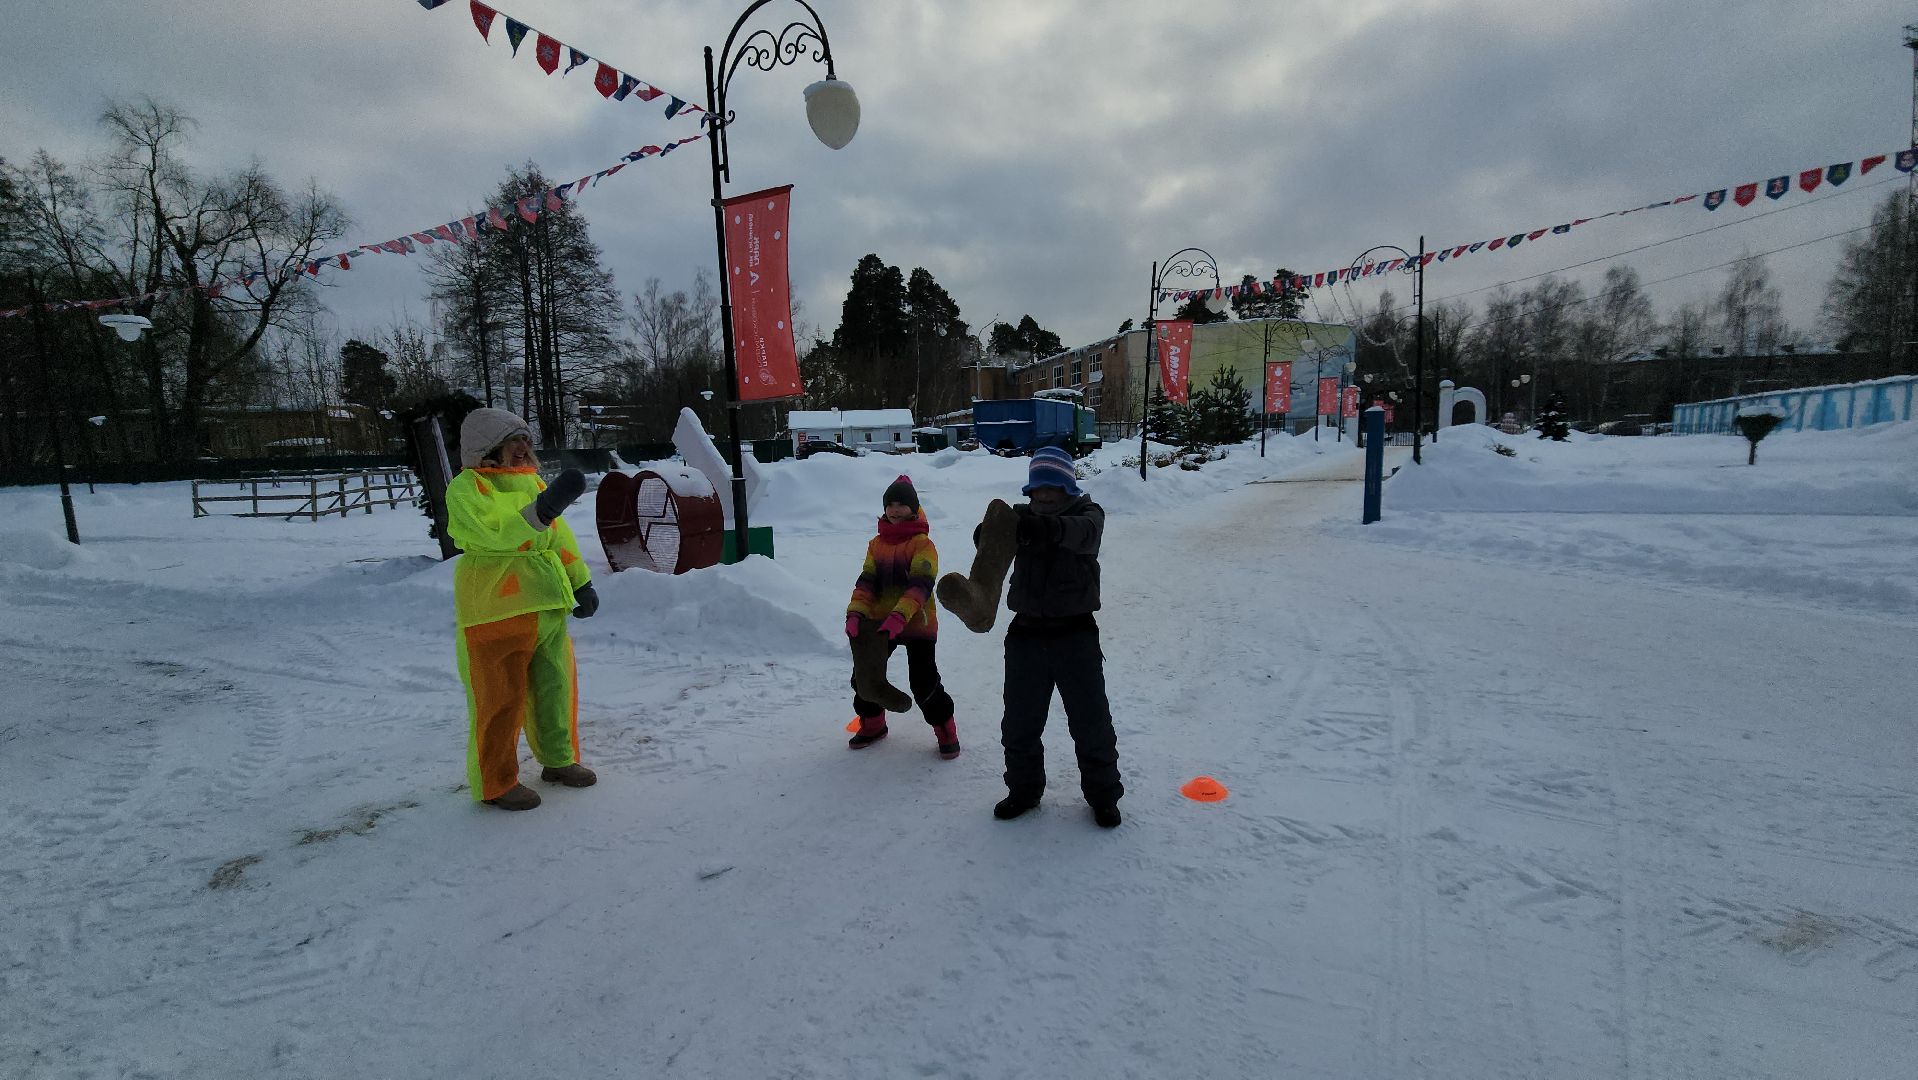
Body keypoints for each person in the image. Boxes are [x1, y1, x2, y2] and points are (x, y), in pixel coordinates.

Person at [445, 407, 599, 811]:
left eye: (526, 440)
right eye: (515, 440)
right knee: (498, 698)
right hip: (494, 609)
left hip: (547, 604)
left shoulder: (532, 483)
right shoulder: (468, 487)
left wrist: (581, 582)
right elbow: (495, 533)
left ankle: (558, 760)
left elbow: (560, 539)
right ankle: (495, 782)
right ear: (488, 448)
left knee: (555, 689)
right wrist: (542, 511)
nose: (524, 447)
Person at [991, 446, 1123, 827]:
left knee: (1090, 721)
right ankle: (1023, 790)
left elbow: (1085, 535)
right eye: (1038, 488)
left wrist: (1046, 529)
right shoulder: (1021, 517)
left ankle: (1103, 796)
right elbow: (993, 547)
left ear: (1067, 487)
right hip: (1025, 635)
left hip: (1075, 635)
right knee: (1019, 722)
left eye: (1052, 487)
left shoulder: (1088, 514)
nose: (1044, 495)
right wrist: (989, 536)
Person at [844, 474, 960, 759]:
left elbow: (921, 584)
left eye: (902, 505)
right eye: (890, 504)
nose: (895, 510)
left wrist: (901, 615)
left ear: (913, 508)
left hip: (915, 622)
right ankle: (872, 724)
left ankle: (945, 728)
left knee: (923, 682)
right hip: (879, 622)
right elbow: (867, 581)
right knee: (864, 676)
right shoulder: (876, 544)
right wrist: (856, 612)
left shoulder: (922, 544)